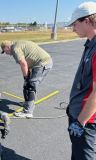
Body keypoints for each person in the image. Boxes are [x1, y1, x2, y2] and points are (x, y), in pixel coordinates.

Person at [67, 2, 96, 160]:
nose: (73, 28)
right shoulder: (90, 44)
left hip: (86, 121)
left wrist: (80, 121)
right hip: (79, 114)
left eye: (75, 23)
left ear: (87, 21)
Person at [1, 40, 53, 118]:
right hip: (39, 63)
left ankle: (28, 112)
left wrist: (26, 77)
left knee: (30, 86)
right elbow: (26, 61)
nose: (6, 54)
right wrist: (27, 77)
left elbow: (23, 63)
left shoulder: (15, 49)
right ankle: (27, 103)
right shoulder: (18, 44)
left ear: (7, 47)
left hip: (42, 64)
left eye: (5, 51)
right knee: (27, 85)